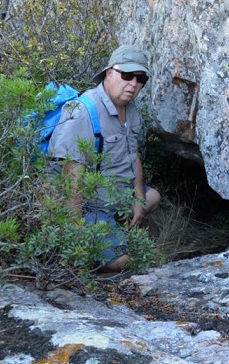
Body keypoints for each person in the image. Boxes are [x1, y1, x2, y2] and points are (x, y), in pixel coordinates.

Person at [49, 44, 161, 271]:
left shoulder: (130, 109)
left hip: (118, 193)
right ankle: (100, 247)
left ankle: (118, 227)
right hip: (93, 203)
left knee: (153, 197)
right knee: (124, 262)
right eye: (127, 75)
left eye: (140, 79)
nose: (133, 84)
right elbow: (73, 179)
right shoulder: (83, 111)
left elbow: (133, 154)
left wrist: (138, 200)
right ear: (109, 73)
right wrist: (76, 233)